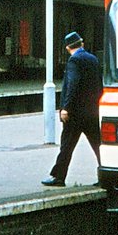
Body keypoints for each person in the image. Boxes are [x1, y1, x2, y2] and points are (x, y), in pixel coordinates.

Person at [42, 31, 103, 187]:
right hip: (92, 111)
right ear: (81, 43)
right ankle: (107, 176)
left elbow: (72, 86)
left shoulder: (74, 61)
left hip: (75, 114)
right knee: (98, 145)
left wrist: (66, 108)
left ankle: (58, 177)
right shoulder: (93, 59)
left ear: (68, 47)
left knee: (67, 146)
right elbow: (99, 85)